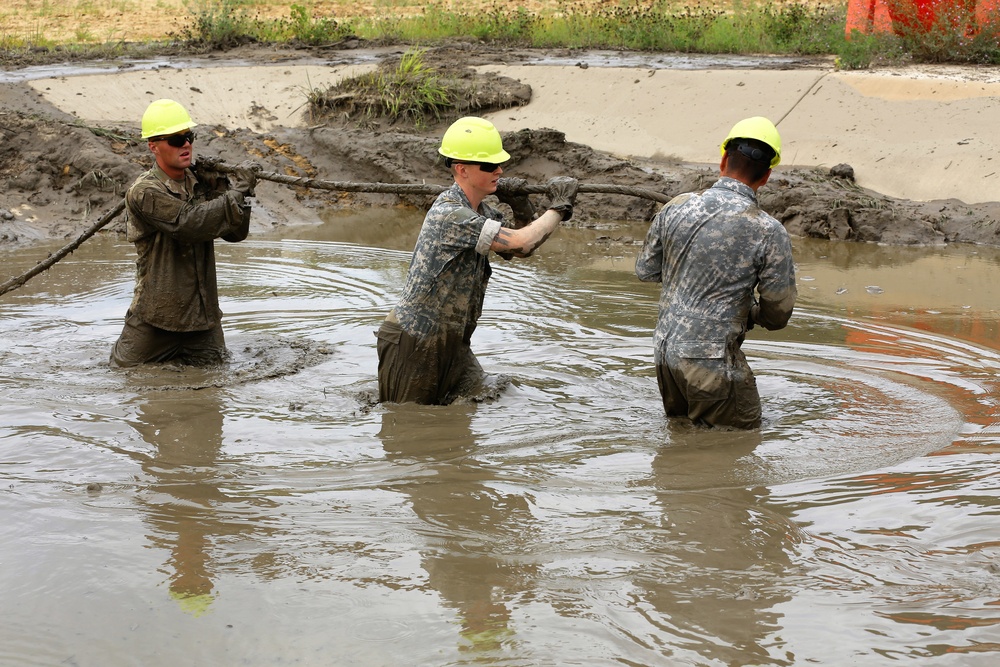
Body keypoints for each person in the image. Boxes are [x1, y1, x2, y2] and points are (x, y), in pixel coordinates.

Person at [376, 116, 579, 405]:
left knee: (476, 411)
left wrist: (522, 208)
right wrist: (559, 206)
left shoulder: (482, 213)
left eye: (499, 164)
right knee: (406, 426)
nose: (499, 170)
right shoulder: (451, 214)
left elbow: (518, 249)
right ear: (462, 170)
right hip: (416, 341)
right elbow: (522, 241)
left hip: (454, 342)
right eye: (489, 166)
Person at [634, 116, 797, 429]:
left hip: (666, 352)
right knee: (740, 441)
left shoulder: (676, 206)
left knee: (681, 439)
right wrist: (748, 308)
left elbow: (646, 270)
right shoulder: (768, 230)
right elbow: (778, 315)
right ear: (766, 177)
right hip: (712, 362)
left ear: (723, 159)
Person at [111, 98, 259, 367]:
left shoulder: (199, 183)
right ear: (153, 146)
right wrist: (234, 195)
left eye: (189, 137)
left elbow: (236, 235)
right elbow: (188, 224)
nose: (187, 145)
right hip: (156, 318)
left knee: (216, 390)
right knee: (120, 376)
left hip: (203, 319)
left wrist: (229, 191)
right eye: (177, 140)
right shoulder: (144, 191)